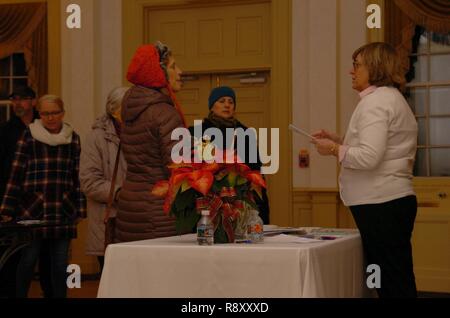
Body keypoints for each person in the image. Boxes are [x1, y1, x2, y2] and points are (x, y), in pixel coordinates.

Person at [312, 42, 418, 298]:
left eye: (357, 65)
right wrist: (339, 141)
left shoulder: (375, 103)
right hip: (388, 200)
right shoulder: (391, 98)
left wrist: (334, 150)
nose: (352, 71)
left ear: (375, 67)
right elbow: (382, 148)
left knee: (390, 282)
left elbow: (370, 157)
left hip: (381, 202)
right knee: (394, 276)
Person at [0, 94, 86, 298]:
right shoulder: (28, 135)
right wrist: (6, 209)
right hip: (33, 209)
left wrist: (80, 209)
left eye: (55, 112)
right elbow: (16, 174)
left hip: (63, 208)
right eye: (45, 113)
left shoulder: (72, 137)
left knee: (60, 262)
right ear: (39, 114)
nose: (50, 117)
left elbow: (78, 174)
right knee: (28, 259)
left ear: (63, 113)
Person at [115, 41, 186, 243]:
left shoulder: (131, 110)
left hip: (130, 207)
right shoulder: (164, 113)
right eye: (172, 67)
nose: (180, 72)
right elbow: (179, 169)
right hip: (159, 212)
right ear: (157, 72)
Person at [188, 86, 270, 224]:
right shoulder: (196, 132)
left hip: (239, 200)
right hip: (206, 199)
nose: (227, 105)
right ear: (211, 106)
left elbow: (256, 171)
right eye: (221, 101)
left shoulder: (244, 133)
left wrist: (262, 209)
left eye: (230, 102)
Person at [0, 86, 52, 298]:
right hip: (14, 201)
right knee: (16, 256)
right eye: (14, 99)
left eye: (22, 99)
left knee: (50, 257)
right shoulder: (5, 131)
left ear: (33, 101)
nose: (18, 103)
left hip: (44, 200)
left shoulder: (45, 126)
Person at [80, 87, 128, 271]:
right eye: (130, 105)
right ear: (116, 111)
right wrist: (120, 193)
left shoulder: (139, 133)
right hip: (109, 223)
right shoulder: (96, 138)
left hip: (137, 221)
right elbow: (89, 181)